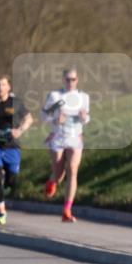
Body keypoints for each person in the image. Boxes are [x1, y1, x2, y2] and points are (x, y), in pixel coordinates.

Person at [41, 67, 91, 222]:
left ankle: (67, 210)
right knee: (59, 174)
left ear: (78, 80)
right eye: (68, 79)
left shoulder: (83, 97)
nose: (70, 82)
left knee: (72, 171)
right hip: (58, 137)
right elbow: (44, 116)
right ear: (63, 80)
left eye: (73, 79)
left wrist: (85, 118)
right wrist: (56, 120)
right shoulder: (56, 96)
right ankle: (52, 181)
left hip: (75, 138)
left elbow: (86, 118)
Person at [0, 76, 34, 225]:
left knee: (11, 180)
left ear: (8, 87)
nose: (0, 88)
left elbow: (29, 119)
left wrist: (20, 130)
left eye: (3, 85)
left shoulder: (15, 103)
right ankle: (1, 210)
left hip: (12, 147)